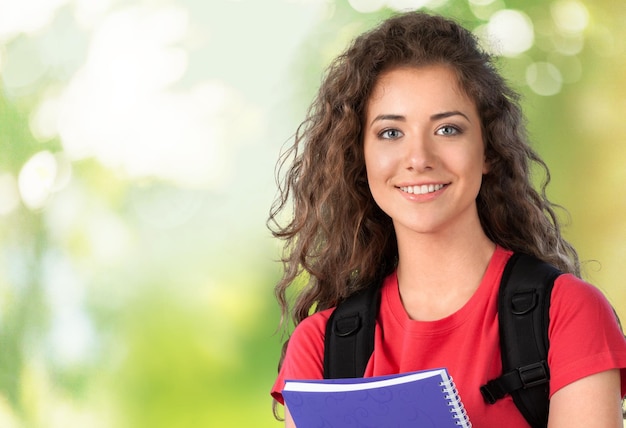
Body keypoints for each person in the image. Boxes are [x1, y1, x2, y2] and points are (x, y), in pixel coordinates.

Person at [267, 11, 626, 427]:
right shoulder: (321, 347)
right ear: (358, 157)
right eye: (390, 133)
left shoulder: (566, 313)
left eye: (448, 129)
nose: (418, 158)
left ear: (489, 150)